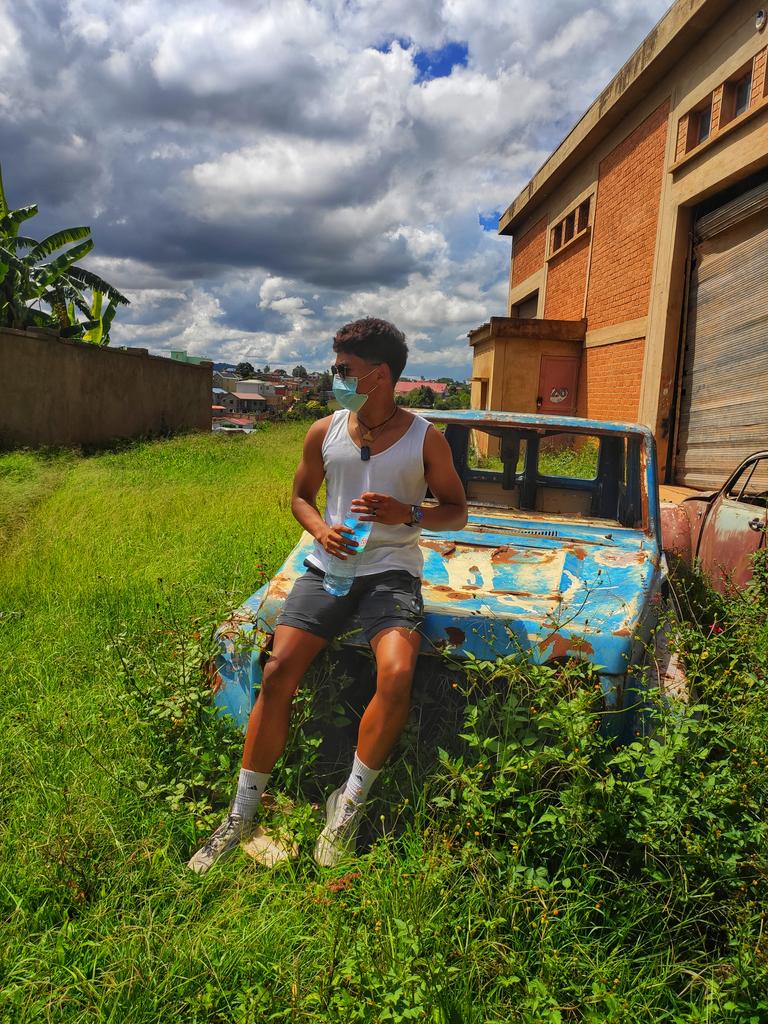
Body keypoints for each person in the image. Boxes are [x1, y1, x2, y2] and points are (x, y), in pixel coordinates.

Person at [189, 317, 467, 873]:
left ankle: (347, 808)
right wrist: (320, 530)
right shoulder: (324, 431)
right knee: (276, 671)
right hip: (327, 568)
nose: (334, 377)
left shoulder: (424, 438)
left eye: (344, 370)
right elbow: (300, 497)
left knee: (395, 673)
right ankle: (242, 815)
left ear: (380, 374)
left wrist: (406, 512)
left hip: (391, 572)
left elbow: (457, 509)